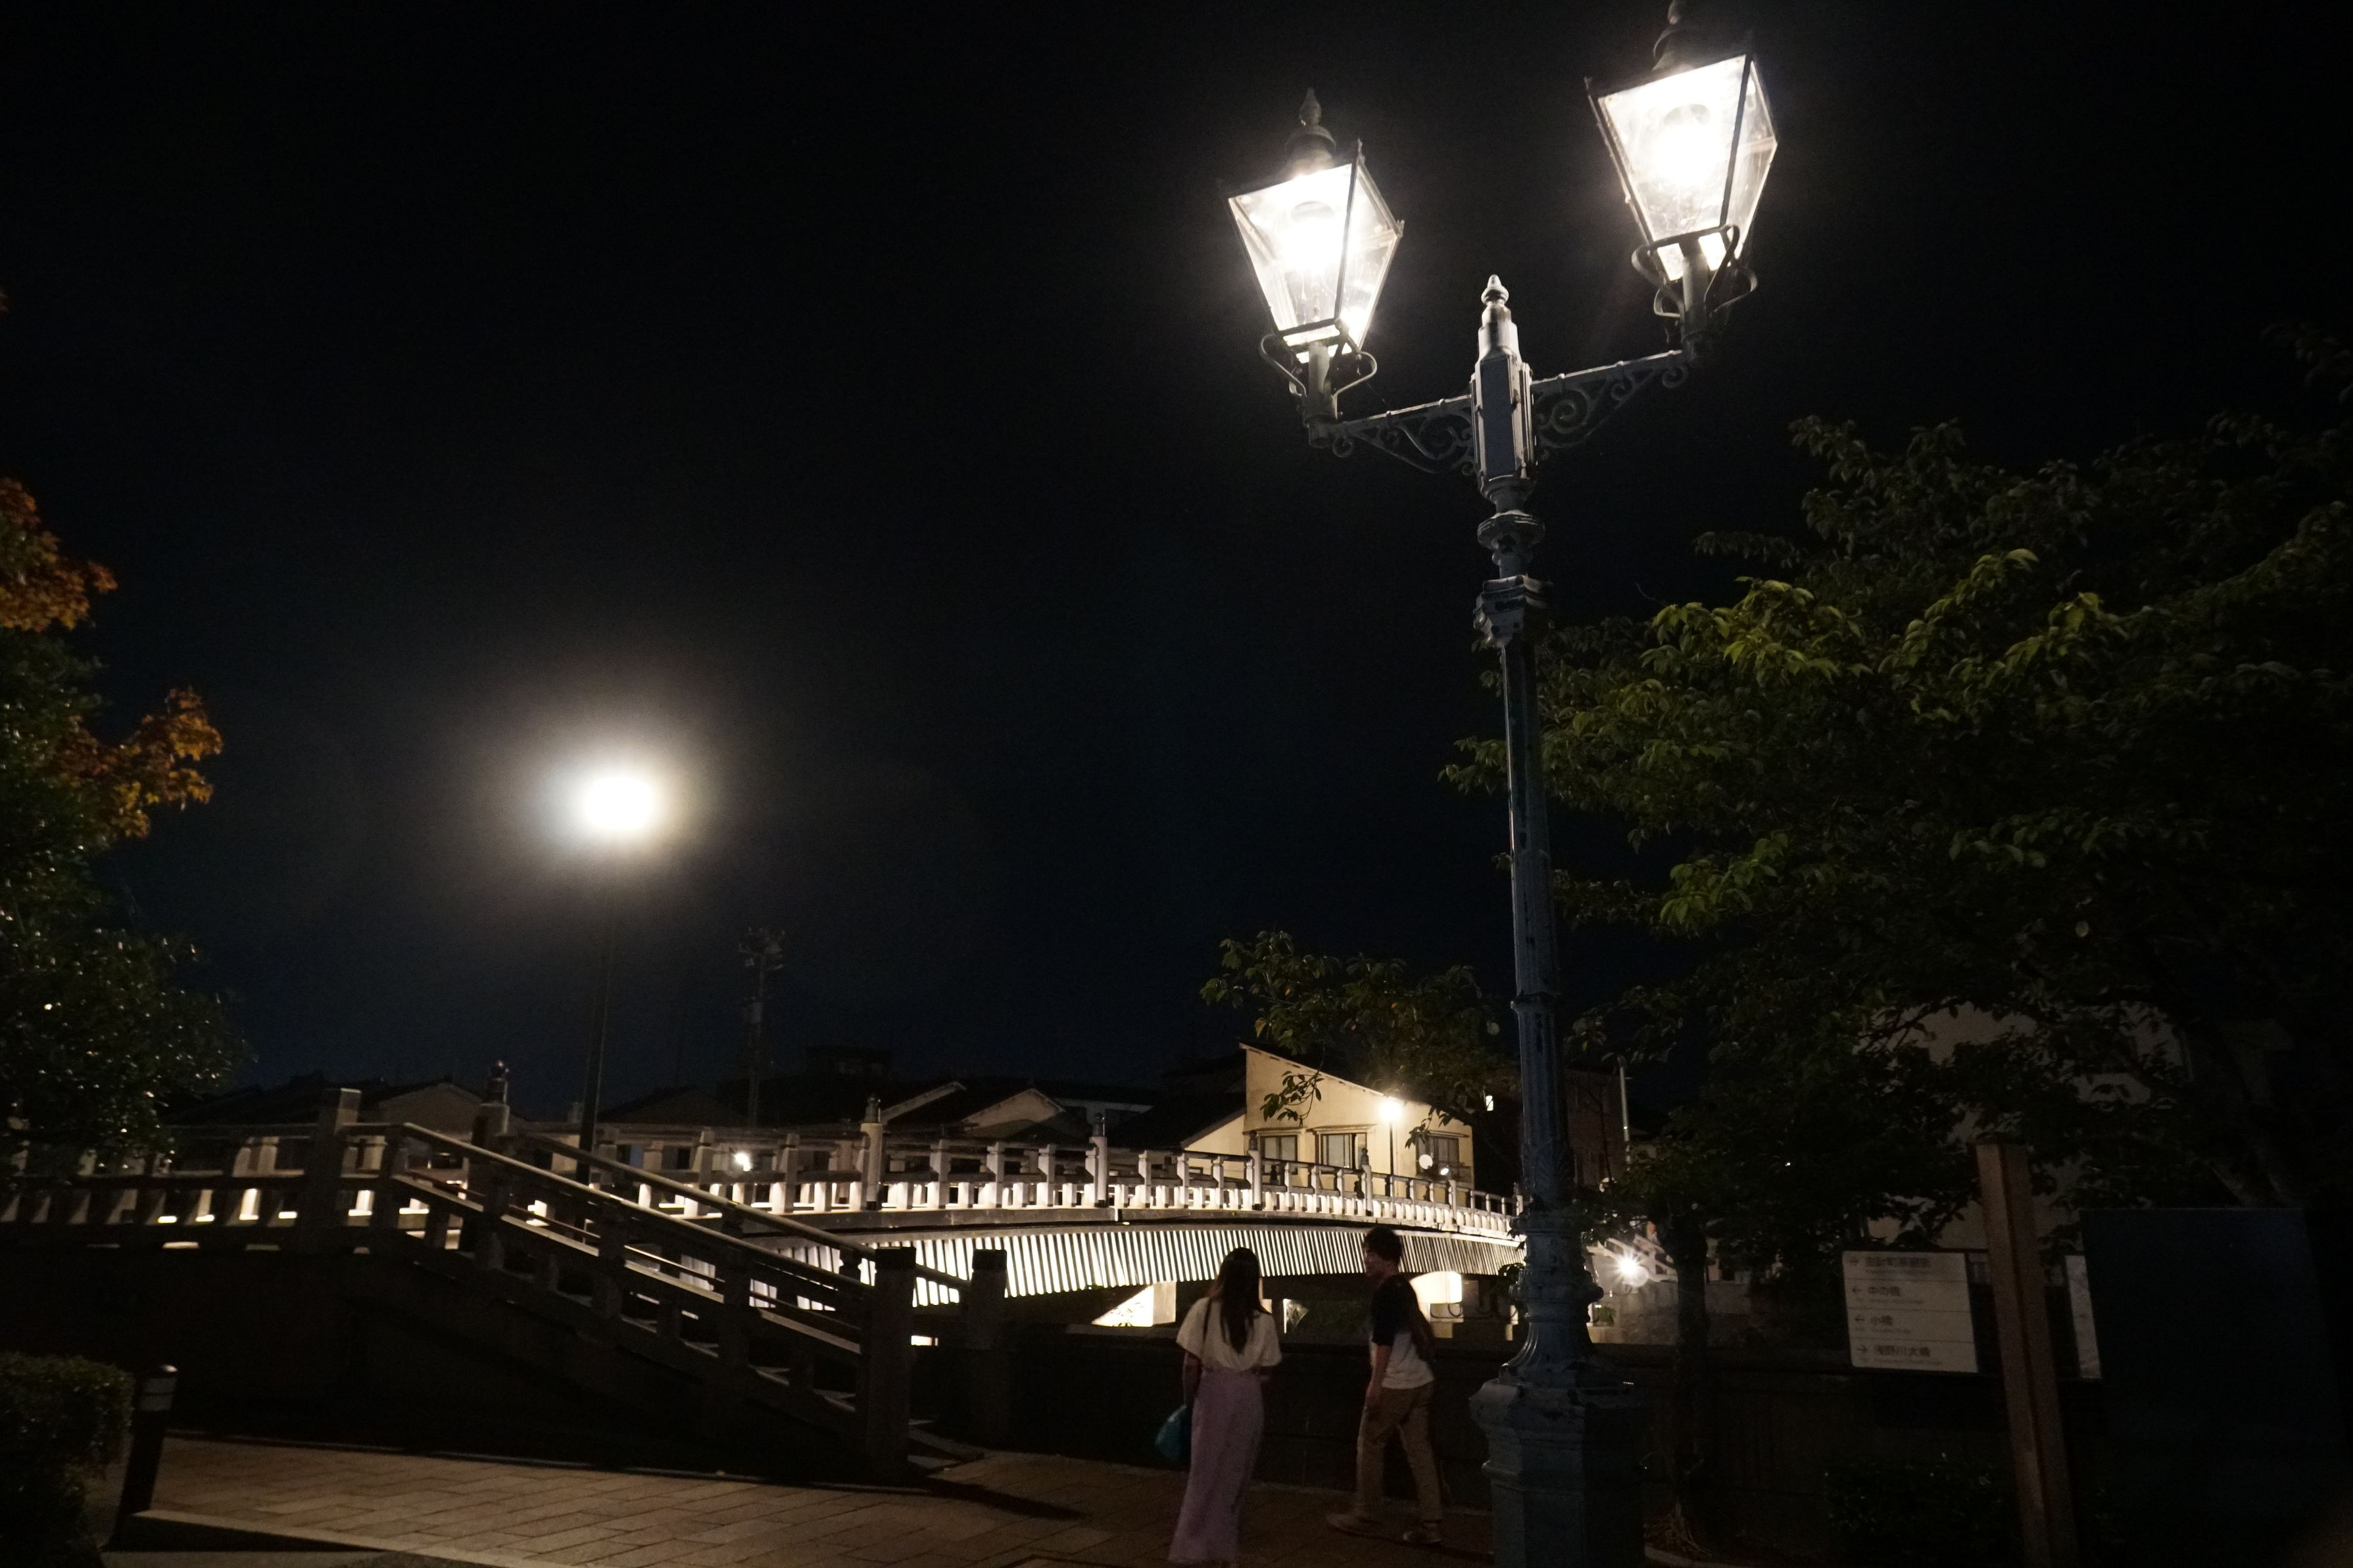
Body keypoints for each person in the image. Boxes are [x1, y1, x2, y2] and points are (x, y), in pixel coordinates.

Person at [1326, 1225, 1443, 1545]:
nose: (1365, 1260)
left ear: (1383, 1257)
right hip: (1422, 1380)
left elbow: (1384, 1343)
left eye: (1370, 1254)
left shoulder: (1386, 1293)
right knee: (1419, 1451)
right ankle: (1432, 1522)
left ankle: (1367, 1514)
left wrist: (1375, 1385)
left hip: (1396, 1383)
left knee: (1370, 1442)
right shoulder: (1405, 1288)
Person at [1169, 1247, 1281, 1566]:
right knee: (1235, 1475)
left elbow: (1190, 1364)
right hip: (1248, 1396)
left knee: (1204, 1472)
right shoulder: (1264, 1321)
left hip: (1213, 1393)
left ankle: (1192, 1545)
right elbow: (1268, 1371)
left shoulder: (1204, 1310)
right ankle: (1223, 1546)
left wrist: (1191, 1400)